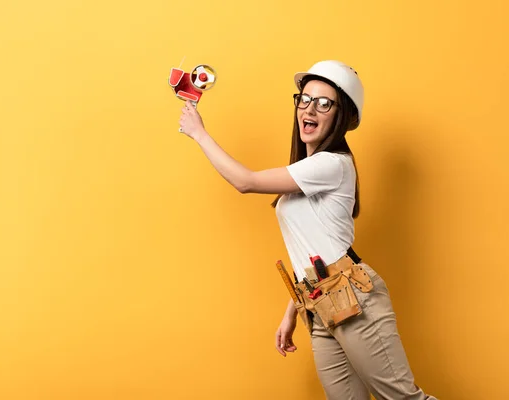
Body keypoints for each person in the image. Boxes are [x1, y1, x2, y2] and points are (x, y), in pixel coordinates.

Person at [177, 60, 437, 400]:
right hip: (318, 302)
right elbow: (311, 250)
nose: (310, 109)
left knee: (402, 398)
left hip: (353, 297)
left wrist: (199, 133)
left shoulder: (332, 164)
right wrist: (292, 311)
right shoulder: (303, 173)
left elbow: (246, 182)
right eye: (305, 99)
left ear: (340, 116)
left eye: (324, 103)